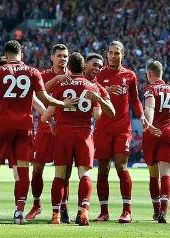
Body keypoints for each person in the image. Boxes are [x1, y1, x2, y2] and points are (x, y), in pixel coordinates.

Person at [0, 40, 75, 224]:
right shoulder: (33, 72)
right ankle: (19, 213)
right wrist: (62, 104)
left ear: (6, 56)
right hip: (24, 126)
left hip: (3, 125)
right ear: (22, 54)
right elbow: (43, 98)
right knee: (22, 169)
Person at [41, 52, 115, 226]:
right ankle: (84, 212)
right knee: (85, 175)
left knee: (60, 175)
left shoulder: (61, 85)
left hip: (63, 134)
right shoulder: (92, 87)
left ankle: (56, 214)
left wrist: (53, 119)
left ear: (68, 67)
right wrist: (96, 103)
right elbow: (98, 116)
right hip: (84, 135)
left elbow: (45, 116)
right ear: (83, 67)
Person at [93, 41, 148, 223]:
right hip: (102, 128)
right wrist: (105, 90)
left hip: (122, 129)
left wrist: (141, 116)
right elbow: (90, 94)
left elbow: (135, 99)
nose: (112, 56)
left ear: (122, 55)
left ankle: (127, 210)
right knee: (102, 170)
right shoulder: (99, 75)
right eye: (110, 52)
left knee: (121, 167)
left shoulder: (129, 75)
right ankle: (104, 211)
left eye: (116, 53)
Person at [27, 44, 70, 222]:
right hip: (45, 129)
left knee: (64, 173)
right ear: (52, 57)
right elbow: (35, 97)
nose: (63, 59)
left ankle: (63, 207)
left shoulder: (74, 76)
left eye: (65, 56)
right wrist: (50, 119)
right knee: (37, 170)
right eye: (59, 55)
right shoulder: (42, 75)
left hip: (65, 131)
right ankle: (36, 205)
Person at [142, 60, 170, 224]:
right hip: (169, 133)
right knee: (166, 175)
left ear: (149, 73)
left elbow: (149, 107)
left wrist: (149, 124)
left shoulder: (149, 89)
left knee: (153, 175)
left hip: (153, 133)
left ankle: (156, 210)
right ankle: (164, 212)